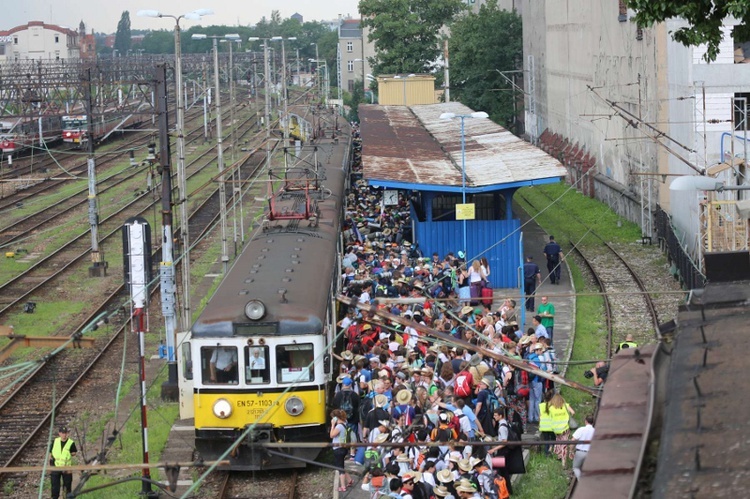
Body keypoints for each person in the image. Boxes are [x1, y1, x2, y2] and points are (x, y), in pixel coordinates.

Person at [49, 426, 77, 499]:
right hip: (56, 466)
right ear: (59, 433)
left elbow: (74, 452)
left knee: (67, 486)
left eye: (65, 433)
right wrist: (50, 464)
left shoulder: (71, 442)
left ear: (67, 433)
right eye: (62, 433)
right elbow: (50, 453)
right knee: (55, 486)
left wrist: (68, 454)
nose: (64, 435)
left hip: (66, 468)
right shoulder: (55, 441)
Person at [330, 409, 354, 492]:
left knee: (340, 468)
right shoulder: (345, 423)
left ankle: (343, 486)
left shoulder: (339, 426)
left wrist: (332, 425)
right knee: (341, 466)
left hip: (338, 449)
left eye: (333, 418)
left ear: (336, 418)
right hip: (343, 448)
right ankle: (350, 480)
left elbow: (331, 435)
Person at [572, 414, 595, 478]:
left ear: (585, 421)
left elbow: (573, 440)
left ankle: (581, 481)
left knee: (576, 468)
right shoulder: (595, 431)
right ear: (593, 422)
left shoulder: (581, 429)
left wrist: (571, 450)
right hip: (590, 453)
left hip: (580, 452)